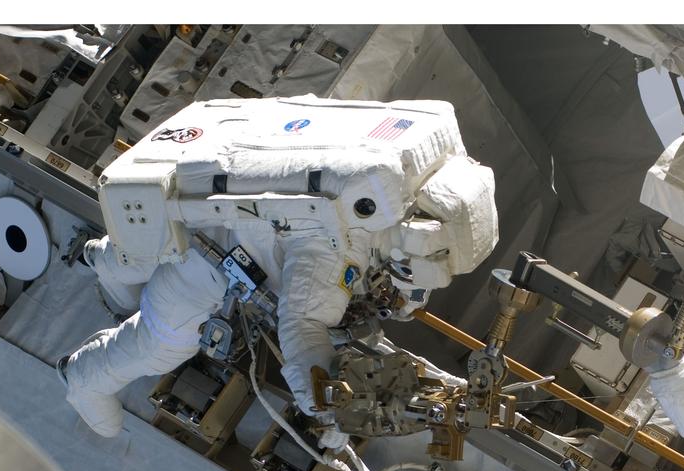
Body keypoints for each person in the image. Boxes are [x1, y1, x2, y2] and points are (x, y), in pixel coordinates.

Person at [57, 96, 497, 441]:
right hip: (208, 255)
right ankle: (83, 378)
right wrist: (317, 398)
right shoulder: (341, 242)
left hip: (210, 204)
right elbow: (301, 323)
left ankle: (102, 257)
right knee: (160, 342)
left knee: (134, 252)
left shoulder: (406, 171)